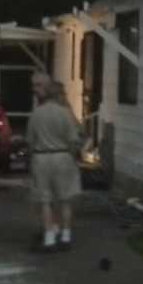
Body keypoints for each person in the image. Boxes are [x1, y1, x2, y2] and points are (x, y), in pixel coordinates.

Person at [27, 75, 84, 253]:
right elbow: (74, 140)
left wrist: (31, 159)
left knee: (45, 201)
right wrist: (72, 155)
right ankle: (66, 237)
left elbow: (30, 141)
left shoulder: (36, 114)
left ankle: (49, 238)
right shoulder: (65, 113)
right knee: (65, 200)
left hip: (42, 157)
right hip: (63, 157)